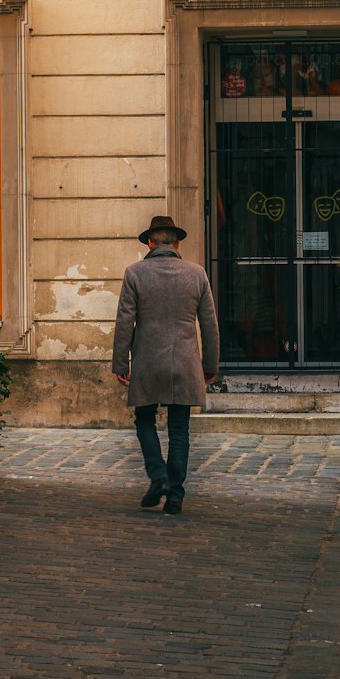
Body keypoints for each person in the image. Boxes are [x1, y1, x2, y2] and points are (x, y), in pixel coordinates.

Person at [112, 214, 220, 515]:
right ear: (177, 243)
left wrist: (121, 362)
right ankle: (175, 497)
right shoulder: (196, 273)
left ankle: (157, 475)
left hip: (147, 361)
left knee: (145, 420)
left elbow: (125, 322)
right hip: (185, 363)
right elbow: (210, 324)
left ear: (149, 242)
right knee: (180, 429)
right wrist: (210, 364)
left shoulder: (134, 273)